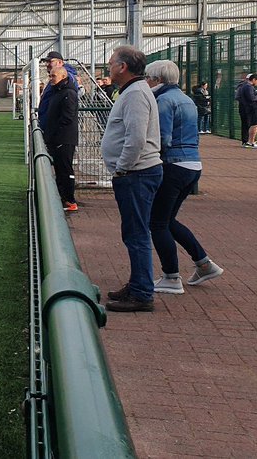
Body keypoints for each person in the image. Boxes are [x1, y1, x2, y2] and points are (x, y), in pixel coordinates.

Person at [143, 60, 225, 295]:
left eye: (149, 78)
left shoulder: (163, 101)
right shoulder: (185, 98)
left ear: (158, 80)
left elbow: (162, 138)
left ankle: (171, 276)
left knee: (157, 223)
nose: (146, 82)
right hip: (192, 164)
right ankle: (203, 263)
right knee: (167, 220)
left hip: (174, 165)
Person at [101, 46, 163, 313]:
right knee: (134, 232)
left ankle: (141, 293)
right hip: (136, 173)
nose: (109, 66)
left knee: (136, 234)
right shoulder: (133, 92)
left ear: (123, 67)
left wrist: (123, 168)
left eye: (112, 62)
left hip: (137, 174)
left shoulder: (136, 94)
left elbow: (136, 139)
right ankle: (138, 283)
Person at [39, 52, 79, 211]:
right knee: (60, 169)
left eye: (53, 76)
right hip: (56, 137)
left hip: (63, 138)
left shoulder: (68, 92)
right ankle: (63, 198)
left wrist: (55, 133)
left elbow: (67, 117)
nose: (51, 78)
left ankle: (70, 200)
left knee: (65, 169)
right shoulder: (58, 91)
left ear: (62, 75)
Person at [236, 73, 257, 148]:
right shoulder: (247, 87)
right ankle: (250, 141)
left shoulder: (246, 87)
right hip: (251, 108)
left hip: (249, 108)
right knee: (254, 124)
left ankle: (250, 141)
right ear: (253, 79)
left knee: (252, 124)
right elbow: (251, 98)